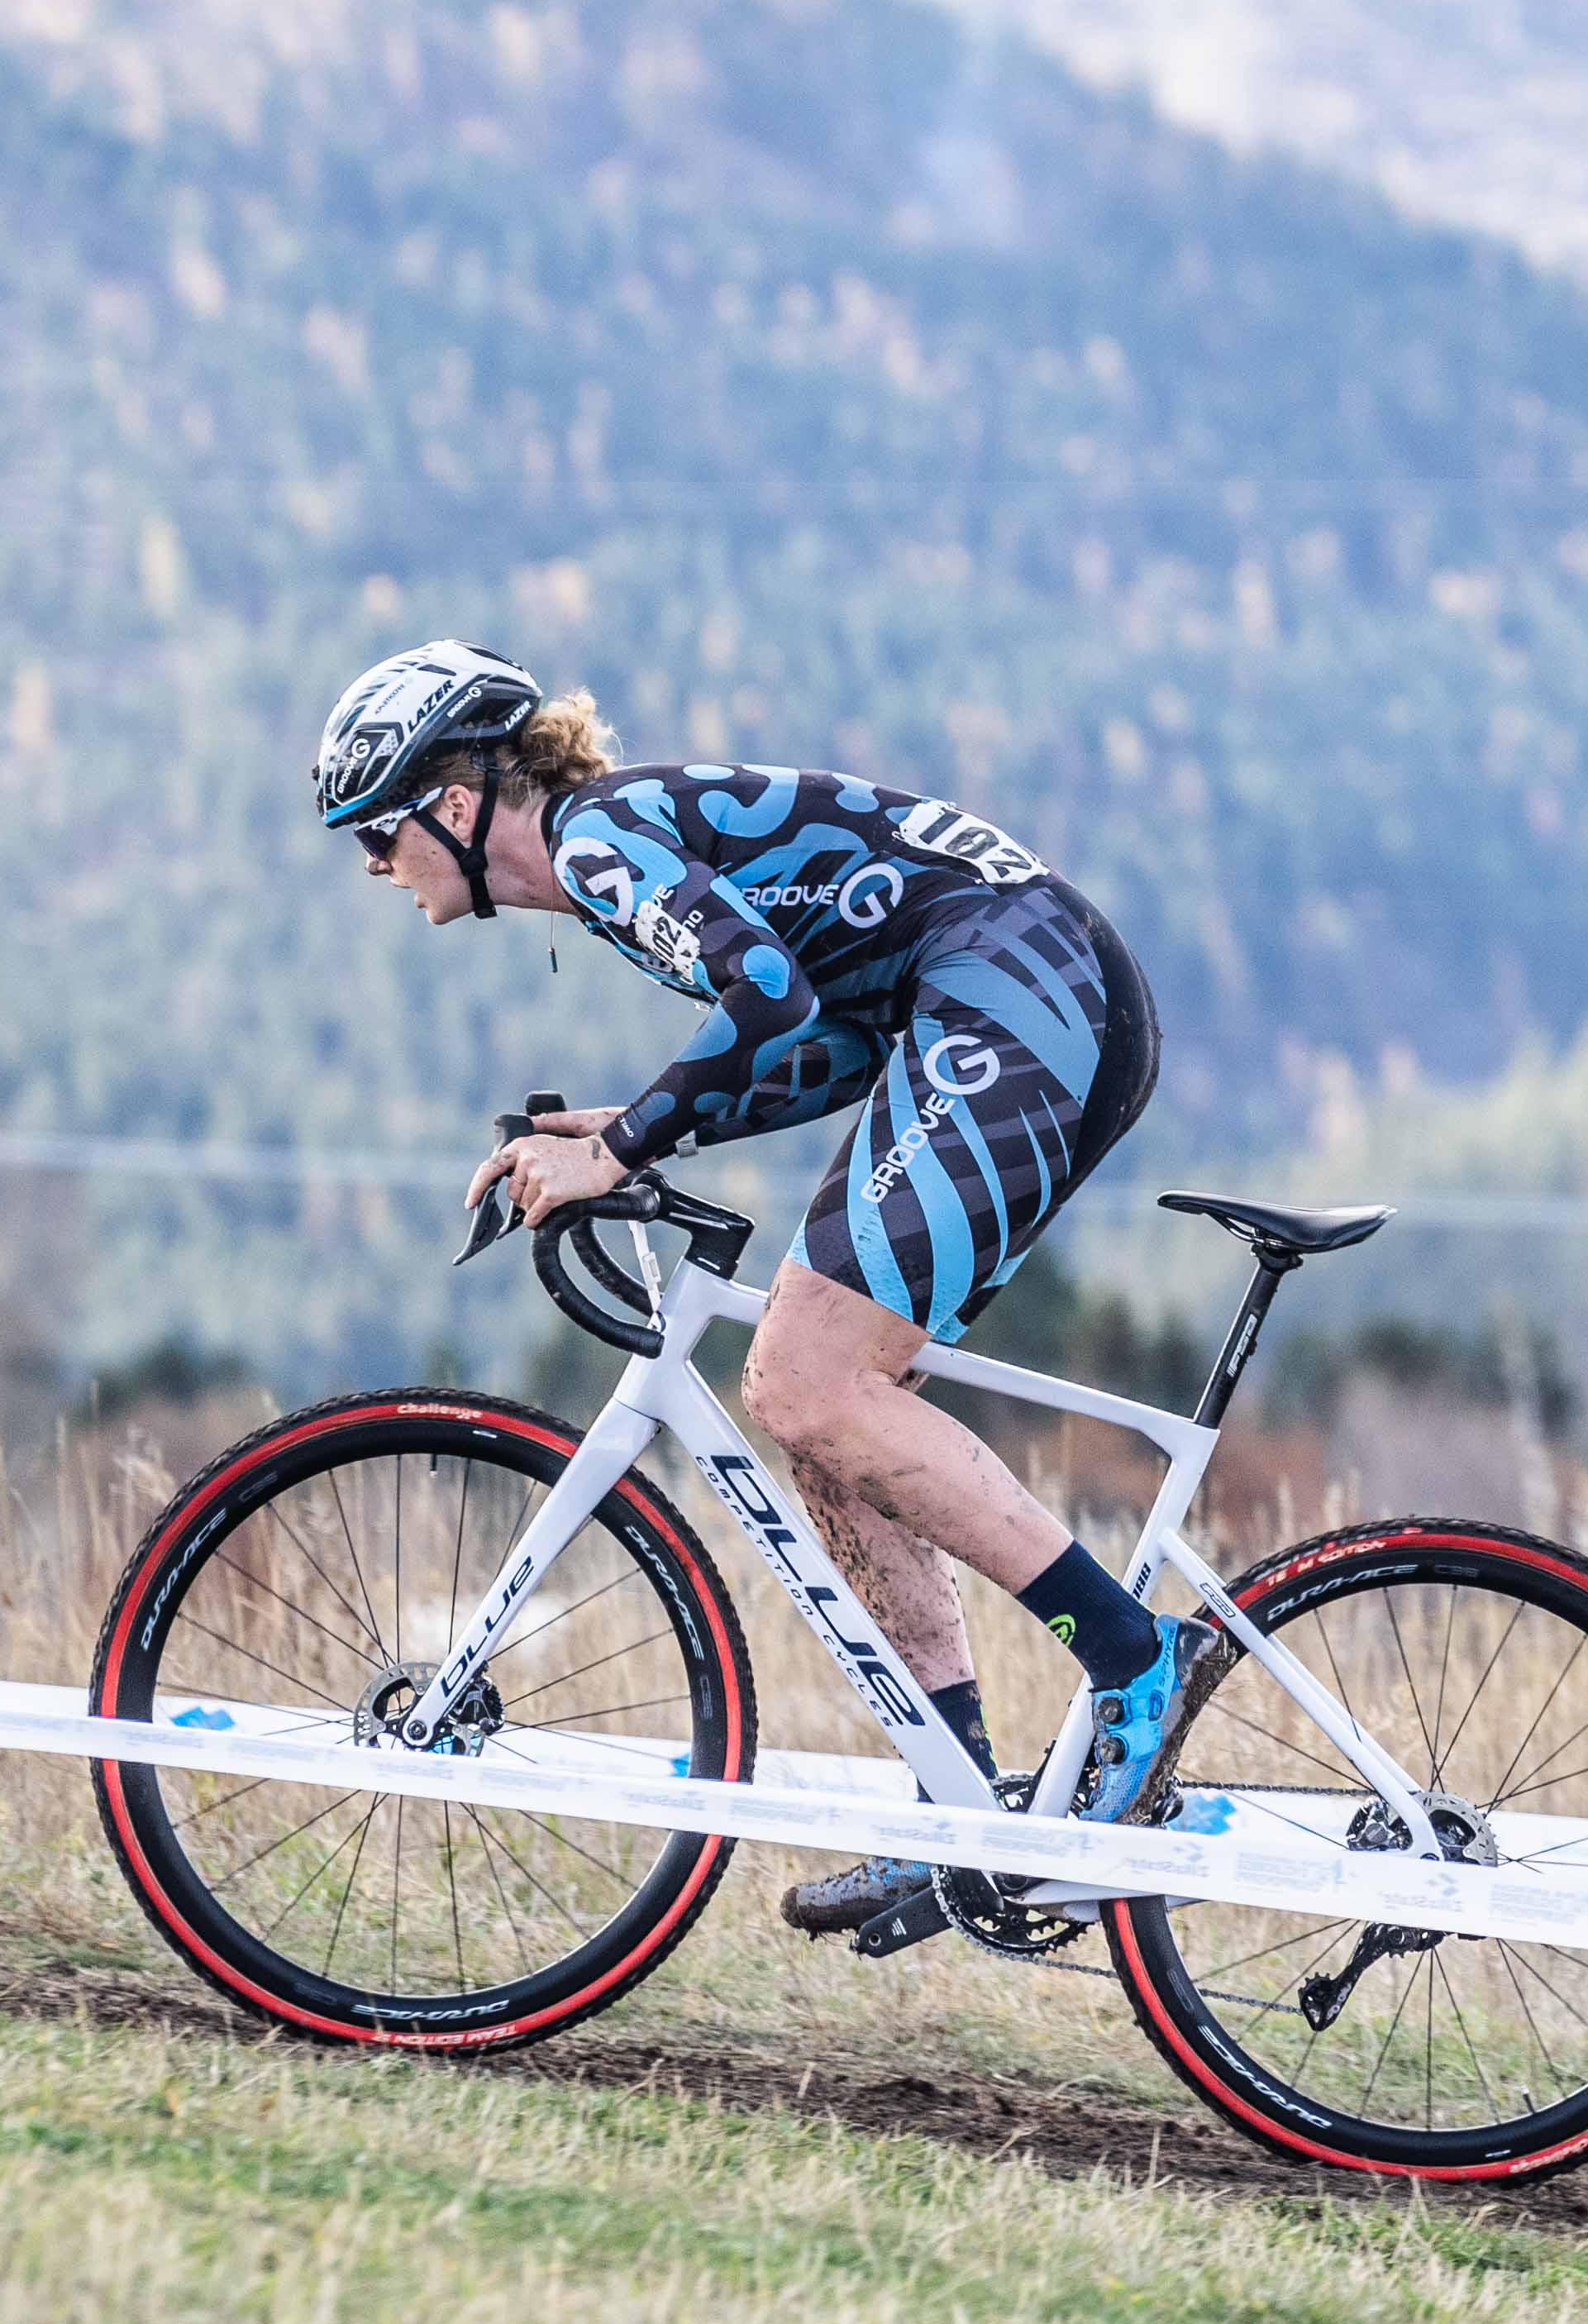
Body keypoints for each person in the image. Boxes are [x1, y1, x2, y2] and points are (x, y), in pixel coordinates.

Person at [313, 638, 1225, 1933]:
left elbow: (765, 998)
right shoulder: (610, 845)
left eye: (377, 831)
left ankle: (1136, 1661)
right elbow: (815, 1042)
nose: (371, 865)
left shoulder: (593, 841)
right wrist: (637, 1124)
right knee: (816, 1410)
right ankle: (957, 1798)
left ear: (454, 807)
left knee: (807, 1376)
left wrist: (617, 1150)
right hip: (985, 1006)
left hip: (1022, 996)